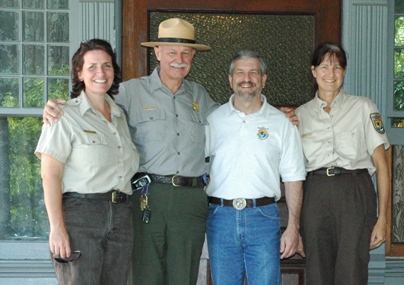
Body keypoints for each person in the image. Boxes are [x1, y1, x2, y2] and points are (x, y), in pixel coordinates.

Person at [41, 18, 299, 285]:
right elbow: (92, 102)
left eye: (186, 52)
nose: (179, 58)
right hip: (147, 198)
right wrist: (56, 107)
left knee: (183, 277)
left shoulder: (200, 96)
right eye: (172, 51)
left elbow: (237, 116)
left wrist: (275, 114)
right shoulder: (129, 92)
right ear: (157, 52)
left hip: (190, 201)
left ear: (193, 56)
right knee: (144, 276)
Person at [35, 39, 139, 285]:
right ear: (79, 73)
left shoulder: (120, 117)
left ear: (114, 71)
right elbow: (50, 176)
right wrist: (57, 228)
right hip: (81, 217)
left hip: (122, 216)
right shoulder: (63, 116)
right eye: (91, 67)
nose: (100, 73)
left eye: (107, 66)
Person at [205, 50, 306, 285]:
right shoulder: (212, 121)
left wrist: (293, 227)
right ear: (230, 80)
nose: (246, 78)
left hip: (263, 216)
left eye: (253, 72)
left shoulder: (282, 123)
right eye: (240, 72)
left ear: (263, 79)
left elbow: (293, 177)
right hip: (221, 218)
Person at [295, 42, 390, 285]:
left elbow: (382, 165)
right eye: (324, 67)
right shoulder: (300, 115)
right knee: (317, 271)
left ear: (344, 72)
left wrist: (383, 219)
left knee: (352, 271)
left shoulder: (363, 107)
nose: (331, 74)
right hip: (316, 194)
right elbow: (292, 170)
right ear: (313, 71)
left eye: (337, 68)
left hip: (354, 192)